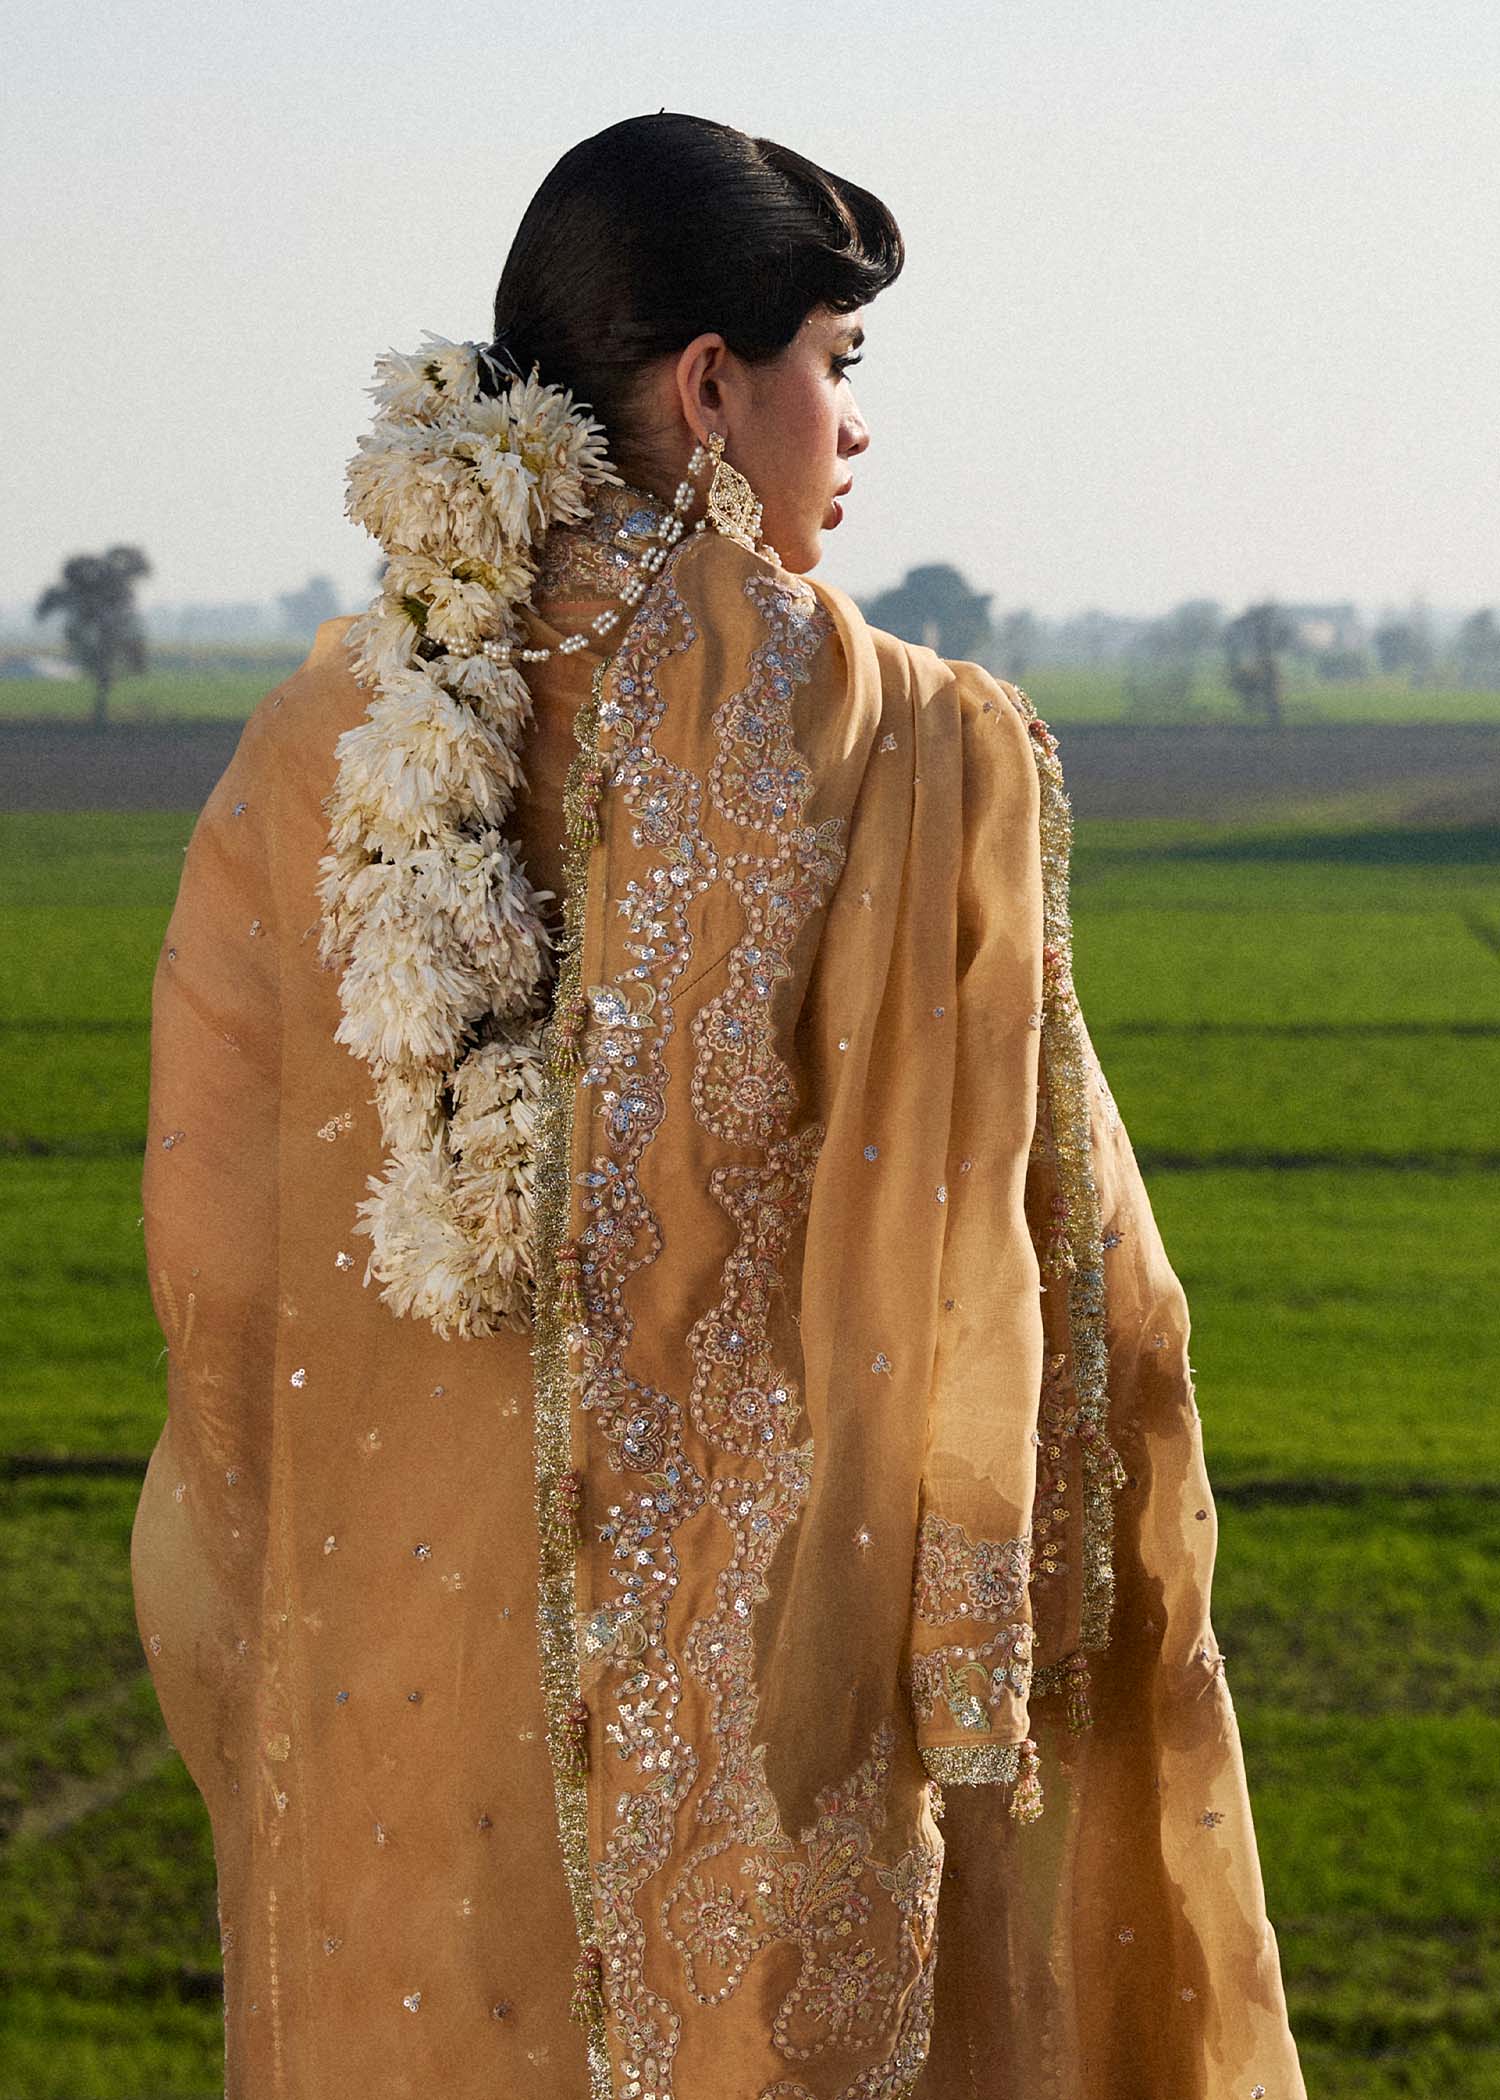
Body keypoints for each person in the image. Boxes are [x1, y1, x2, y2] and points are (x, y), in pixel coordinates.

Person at [130, 111, 1307, 2100]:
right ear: (708, 387)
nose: (849, 435)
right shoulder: (920, 741)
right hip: (780, 1758)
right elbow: (1078, 1300)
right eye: (836, 370)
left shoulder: (324, 734)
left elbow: (222, 1281)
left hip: (402, 1754)